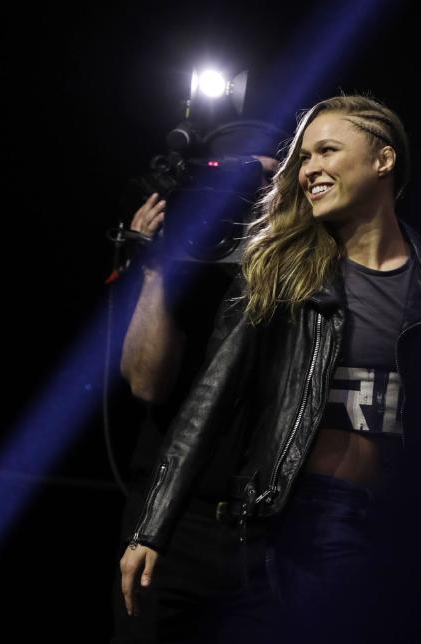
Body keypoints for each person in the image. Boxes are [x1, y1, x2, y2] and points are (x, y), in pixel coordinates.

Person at [119, 94, 421, 642]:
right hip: (311, 516)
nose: (310, 169)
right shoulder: (280, 274)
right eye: (303, 158)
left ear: (383, 160)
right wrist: (153, 527)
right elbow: (208, 401)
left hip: (405, 518)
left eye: (327, 151)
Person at [111, 121, 285, 643]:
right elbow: (145, 384)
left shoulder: (304, 265)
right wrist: (157, 265)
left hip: (263, 532)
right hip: (169, 522)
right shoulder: (177, 264)